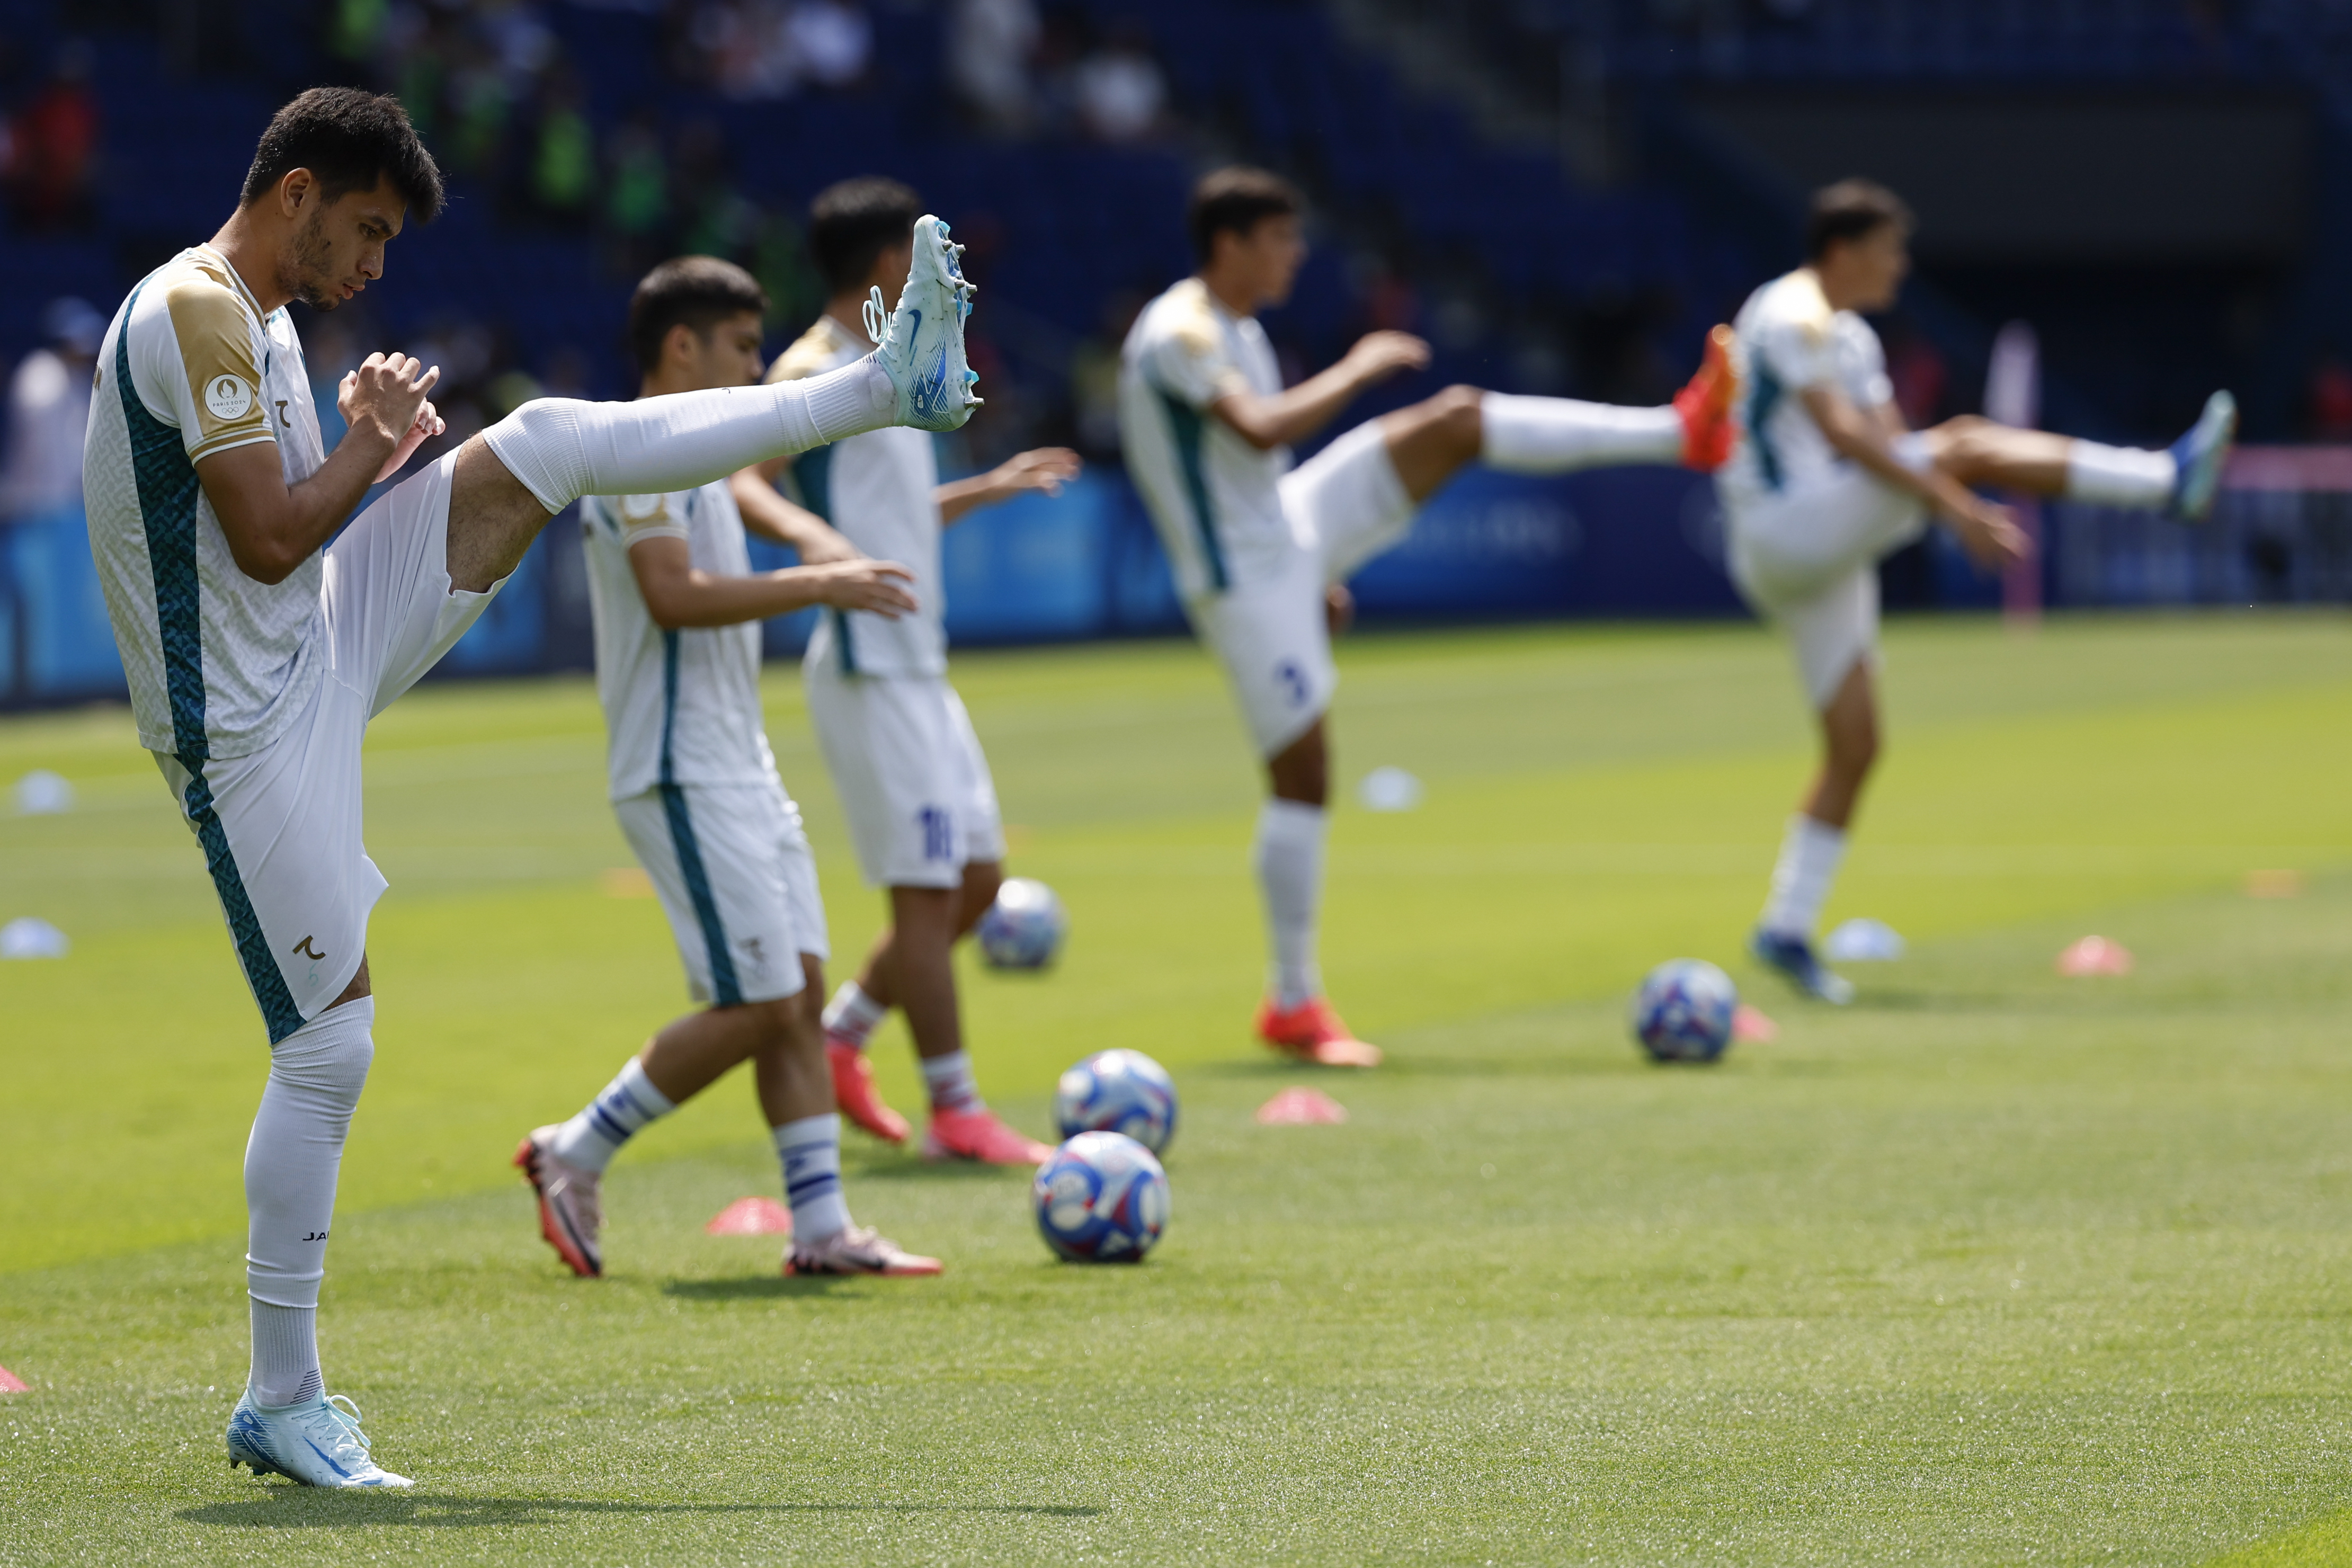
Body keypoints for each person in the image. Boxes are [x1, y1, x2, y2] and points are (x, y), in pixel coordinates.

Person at [81, 86, 976, 1490]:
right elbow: (261, 542)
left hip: (312, 643)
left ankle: (880, 387)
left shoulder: (252, 318)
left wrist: (368, 446)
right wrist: (375, 444)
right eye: (367, 230)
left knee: (549, 439)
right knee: (329, 1050)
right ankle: (281, 1396)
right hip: (243, 728)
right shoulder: (196, 309)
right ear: (299, 189)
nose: (375, 268)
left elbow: (270, 551)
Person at [1116, 166, 1735, 1067]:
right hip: (1242, 583)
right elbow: (1257, 428)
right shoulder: (1179, 330)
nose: (1295, 254)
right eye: (1281, 238)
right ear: (1232, 242)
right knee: (1304, 775)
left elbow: (1242, 469)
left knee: (1452, 421)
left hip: (1286, 534)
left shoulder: (1233, 326)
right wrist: (1359, 368)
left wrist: (1312, 568)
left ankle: (1683, 431)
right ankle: (1293, 1002)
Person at [515, 255, 944, 1286]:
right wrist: (818, 583)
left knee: (793, 992)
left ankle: (824, 1226)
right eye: (746, 348)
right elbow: (672, 594)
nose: (759, 369)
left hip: (736, 760)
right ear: (682, 347)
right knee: (757, 1000)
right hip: (677, 765)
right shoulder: (634, 453)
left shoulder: (700, 454)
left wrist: (812, 545)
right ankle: (573, 1149)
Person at [1721, 179, 2237, 1004]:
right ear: (1845, 251)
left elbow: (1889, 440)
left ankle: (1784, 929)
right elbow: (1843, 434)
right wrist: (1955, 505)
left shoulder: (1848, 335)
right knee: (1966, 443)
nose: (1902, 265)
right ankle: (2163, 482)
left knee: (1856, 746)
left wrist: (1938, 490)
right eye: (1891, 249)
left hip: (1821, 541)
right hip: (1787, 529)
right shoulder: (1792, 313)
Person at [751, 176, 1076, 1163]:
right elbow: (740, 478)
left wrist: (986, 487)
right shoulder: (809, 369)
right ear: (891, 262)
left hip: (918, 664)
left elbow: (889, 524)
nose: (939, 272)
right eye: (923, 252)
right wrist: (818, 551)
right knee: (927, 897)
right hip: (866, 664)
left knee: (978, 879)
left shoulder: (889, 367)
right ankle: (957, 1112)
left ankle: (844, 1036)